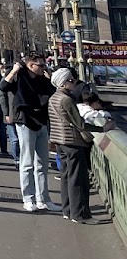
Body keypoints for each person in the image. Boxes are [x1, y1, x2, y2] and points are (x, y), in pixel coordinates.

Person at [1, 53, 59, 212]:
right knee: (27, 162)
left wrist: (49, 75)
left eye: (44, 65)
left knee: (42, 163)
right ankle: (28, 198)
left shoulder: (42, 79)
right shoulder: (19, 76)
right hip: (25, 121)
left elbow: (54, 91)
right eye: (40, 65)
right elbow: (3, 87)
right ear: (30, 65)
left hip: (41, 121)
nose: (43, 68)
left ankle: (43, 199)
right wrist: (14, 70)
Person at [47, 72, 108, 222]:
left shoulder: (53, 97)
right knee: (79, 179)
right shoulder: (67, 100)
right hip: (72, 142)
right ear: (63, 83)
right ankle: (80, 215)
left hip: (60, 142)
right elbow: (80, 124)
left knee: (66, 177)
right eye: (70, 80)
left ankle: (68, 210)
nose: (74, 82)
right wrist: (103, 128)